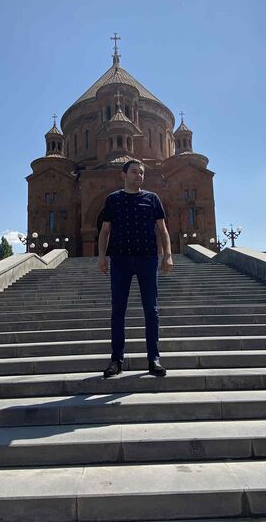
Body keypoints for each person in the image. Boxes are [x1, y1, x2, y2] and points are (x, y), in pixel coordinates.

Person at [98, 159, 173, 378]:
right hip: (120, 260)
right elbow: (105, 230)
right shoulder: (113, 199)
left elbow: (163, 230)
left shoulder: (152, 198)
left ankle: (154, 359)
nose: (139, 176)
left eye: (141, 173)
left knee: (151, 309)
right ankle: (116, 360)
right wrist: (102, 256)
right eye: (134, 172)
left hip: (147, 259)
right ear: (123, 175)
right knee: (118, 310)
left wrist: (168, 255)